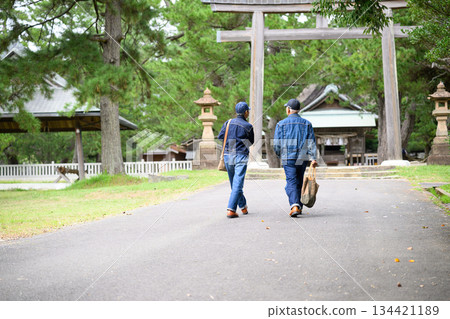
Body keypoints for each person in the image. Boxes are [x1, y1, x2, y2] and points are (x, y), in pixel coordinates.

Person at [273, 98, 318, 217]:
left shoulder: (281, 124)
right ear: (298, 110)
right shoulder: (307, 123)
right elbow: (311, 142)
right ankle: (298, 205)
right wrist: (313, 158)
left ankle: (294, 205)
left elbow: (277, 144)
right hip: (302, 157)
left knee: (291, 181)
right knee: (298, 180)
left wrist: (279, 154)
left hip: (288, 157)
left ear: (288, 109)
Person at [218, 102, 254, 218]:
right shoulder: (248, 126)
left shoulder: (228, 123)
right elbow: (251, 142)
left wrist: (231, 142)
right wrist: (241, 143)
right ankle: (231, 209)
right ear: (246, 112)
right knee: (237, 183)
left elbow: (220, 137)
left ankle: (243, 206)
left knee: (234, 183)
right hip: (241, 155)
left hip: (228, 154)